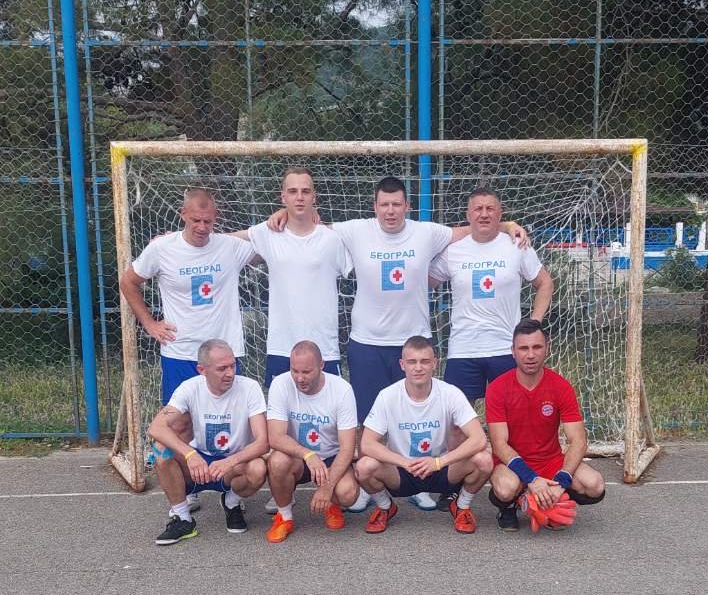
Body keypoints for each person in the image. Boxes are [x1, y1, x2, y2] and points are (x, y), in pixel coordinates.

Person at [268, 172, 524, 511]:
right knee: (366, 420)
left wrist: (507, 225)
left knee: (416, 416)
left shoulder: (426, 232)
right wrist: (284, 213)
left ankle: (420, 482)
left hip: (413, 343)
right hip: (367, 342)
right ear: (374, 207)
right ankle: (366, 484)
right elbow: (311, 224)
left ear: (407, 206)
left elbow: (470, 229)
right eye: (384, 205)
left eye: (396, 205)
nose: (390, 211)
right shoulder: (355, 230)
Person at [119, 186, 257, 404]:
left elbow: (271, 243)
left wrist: (289, 216)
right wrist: (149, 323)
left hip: (224, 353)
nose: (202, 227)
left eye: (207, 221)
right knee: (178, 417)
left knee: (226, 414)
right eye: (196, 220)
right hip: (180, 351)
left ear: (216, 217)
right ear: (183, 214)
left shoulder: (230, 247)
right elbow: (128, 282)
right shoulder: (162, 248)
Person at [356, 335, 493, 534]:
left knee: (484, 461)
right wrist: (404, 462)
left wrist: (438, 462)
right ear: (402, 364)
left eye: (425, 361)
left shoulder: (450, 393)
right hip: (402, 470)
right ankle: (385, 507)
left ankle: (461, 506)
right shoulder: (388, 396)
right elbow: (367, 444)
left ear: (435, 364)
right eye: (412, 362)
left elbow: (479, 438)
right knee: (364, 466)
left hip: (440, 467)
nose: (418, 367)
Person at [430, 186, 554, 405]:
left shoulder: (517, 245)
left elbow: (545, 283)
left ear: (500, 213)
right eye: (478, 209)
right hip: (463, 349)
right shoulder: (454, 250)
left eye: (490, 208)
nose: (484, 214)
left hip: (506, 348)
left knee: (514, 415)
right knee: (457, 418)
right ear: (468, 214)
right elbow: (423, 282)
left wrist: (534, 323)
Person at [485, 318, 605, 533]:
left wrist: (561, 481)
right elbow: (499, 444)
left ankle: (547, 499)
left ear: (546, 349)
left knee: (594, 485)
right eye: (523, 348)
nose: (530, 355)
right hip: (511, 464)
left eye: (537, 347)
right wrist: (531, 479)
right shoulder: (497, 388)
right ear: (513, 351)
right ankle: (514, 504)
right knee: (505, 489)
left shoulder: (561, 386)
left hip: (550, 461)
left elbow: (578, 440)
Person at [238, 169, 352, 388]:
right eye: (292, 191)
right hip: (282, 348)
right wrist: (178, 239)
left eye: (305, 191)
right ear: (283, 197)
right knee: (280, 409)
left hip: (324, 349)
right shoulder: (268, 234)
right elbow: (224, 243)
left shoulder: (333, 239)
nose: (299, 197)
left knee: (329, 408)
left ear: (314, 197)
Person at [148, 339, 268, 544]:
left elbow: (263, 442)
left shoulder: (250, 388)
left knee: (258, 468)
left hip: (233, 465)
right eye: (222, 368)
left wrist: (230, 461)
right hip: (199, 462)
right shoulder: (190, 387)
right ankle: (183, 519)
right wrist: (190, 454)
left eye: (232, 366)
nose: (230, 373)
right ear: (202, 370)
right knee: (161, 449)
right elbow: (156, 428)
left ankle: (231, 502)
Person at [264, 341, 359, 543]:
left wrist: (327, 488)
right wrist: (308, 455)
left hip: (331, 458)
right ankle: (284, 516)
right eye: (295, 371)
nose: (300, 378)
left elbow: (348, 448)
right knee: (277, 461)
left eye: (306, 372)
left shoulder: (342, 389)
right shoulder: (280, 384)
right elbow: (275, 437)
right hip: (298, 458)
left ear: (321, 365)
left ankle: (332, 504)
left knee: (348, 493)